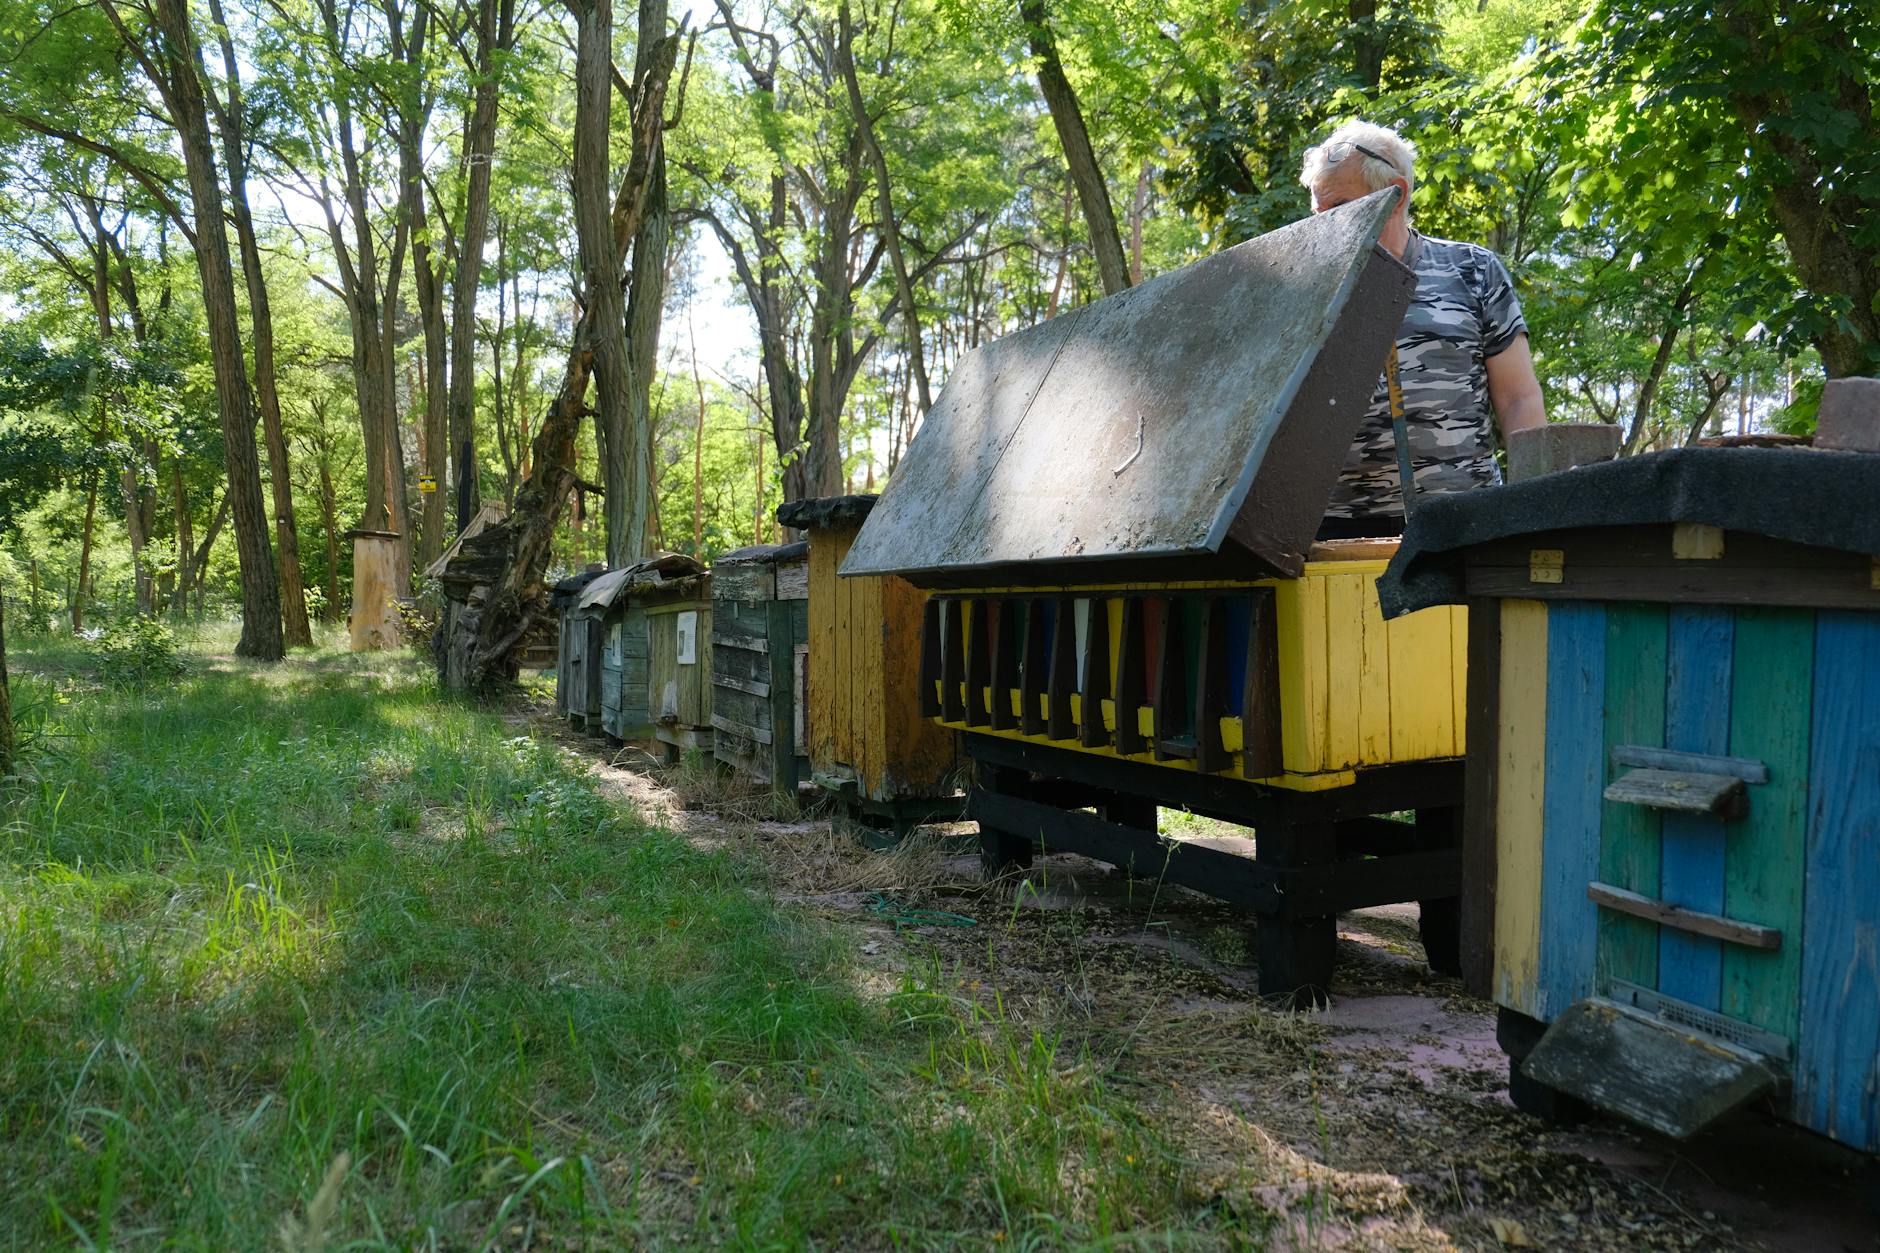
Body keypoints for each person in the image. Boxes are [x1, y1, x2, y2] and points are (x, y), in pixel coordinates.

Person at [1300, 121, 1546, 538]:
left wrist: (1533, 513)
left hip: (1464, 524)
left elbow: (1520, 398)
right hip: (1335, 534)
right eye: (1318, 213)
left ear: (1396, 195)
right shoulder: (1303, 289)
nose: (1326, 226)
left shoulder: (1474, 272)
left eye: (1340, 208)